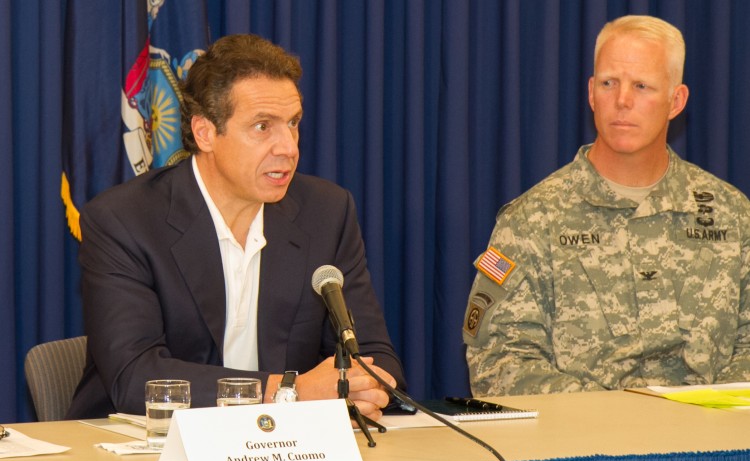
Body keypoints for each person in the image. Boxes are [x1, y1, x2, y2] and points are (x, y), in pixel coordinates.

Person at [67, 34, 406, 421]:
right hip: (143, 451)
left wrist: (363, 386)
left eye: (293, 123)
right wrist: (290, 392)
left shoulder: (326, 213)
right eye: (263, 126)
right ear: (205, 133)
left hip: (287, 454)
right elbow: (136, 378)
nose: (288, 147)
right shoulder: (124, 221)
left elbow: (375, 358)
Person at [463, 15, 750, 396]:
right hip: (588, 447)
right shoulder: (533, 220)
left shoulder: (731, 214)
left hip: (712, 445)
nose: (622, 101)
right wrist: (614, 416)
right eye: (609, 83)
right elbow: (498, 363)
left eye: (642, 86)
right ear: (591, 93)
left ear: (675, 100)